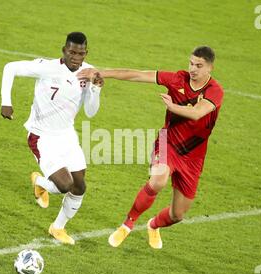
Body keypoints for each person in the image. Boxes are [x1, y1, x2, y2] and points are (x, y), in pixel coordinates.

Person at [77, 46, 224, 249]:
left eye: (199, 66)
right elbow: (137, 75)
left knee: (177, 214)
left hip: (193, 157)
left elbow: (198, 113)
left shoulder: (215, 91)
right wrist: (101, 73)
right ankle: (127, 225)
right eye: (191, 63)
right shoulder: (176, 79)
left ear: (210, 68)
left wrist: (173, 107)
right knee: (158, 181)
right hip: (168, 143)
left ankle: (153, 226)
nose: (193, 69)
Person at [0, 32, 104, 245]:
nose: (76, 57)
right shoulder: (47, 67)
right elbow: (10, 67)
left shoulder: (89, 73)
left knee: (80, 186)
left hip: (67, 135)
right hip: (42, 136)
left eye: (81, 53)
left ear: (87, 53)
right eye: (72, 52)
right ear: (64, 50)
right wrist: (6, 102)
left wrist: (95, 89)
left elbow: (91, 112)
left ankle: (58, 228)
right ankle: (39, 181)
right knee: (65, 184)